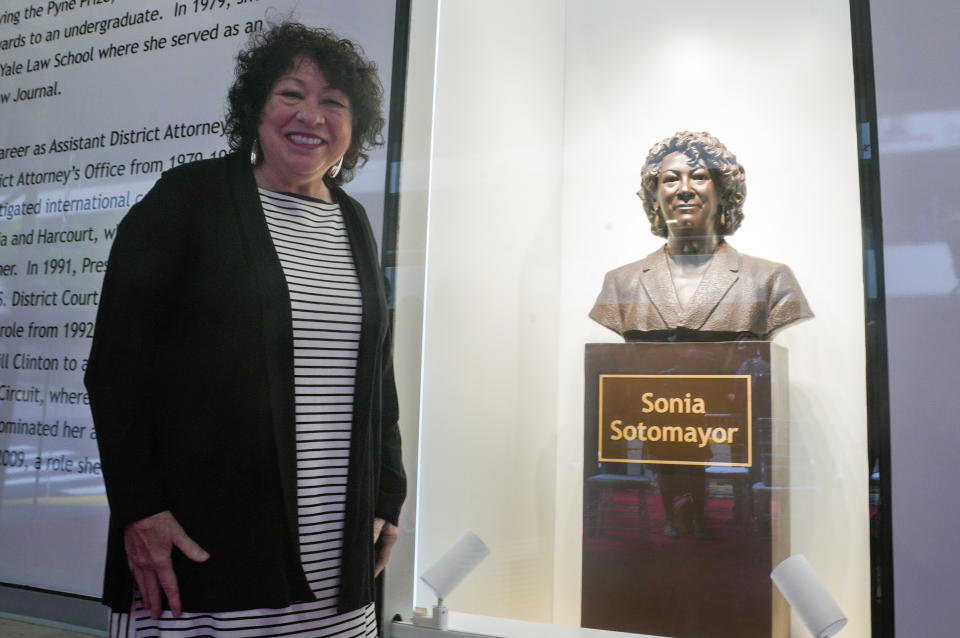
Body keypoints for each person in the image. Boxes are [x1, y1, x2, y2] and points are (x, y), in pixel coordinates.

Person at [85, 22, 405, 637]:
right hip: (203, 552)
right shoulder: (189, 199)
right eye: (291, 93)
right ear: (255, 108)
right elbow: (117, 369)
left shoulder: (354, 221)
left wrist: (386, 498)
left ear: (353, 128)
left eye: (333, 101)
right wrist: (139, 509)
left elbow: (377, 379)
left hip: (335, 559)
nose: (310, 115)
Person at [589, 131, 813, 341]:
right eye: (671, 179)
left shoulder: (771, 281)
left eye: (699, 177)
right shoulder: (620, 284)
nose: (684, 189)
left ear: (723, 193)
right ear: (654, 198)